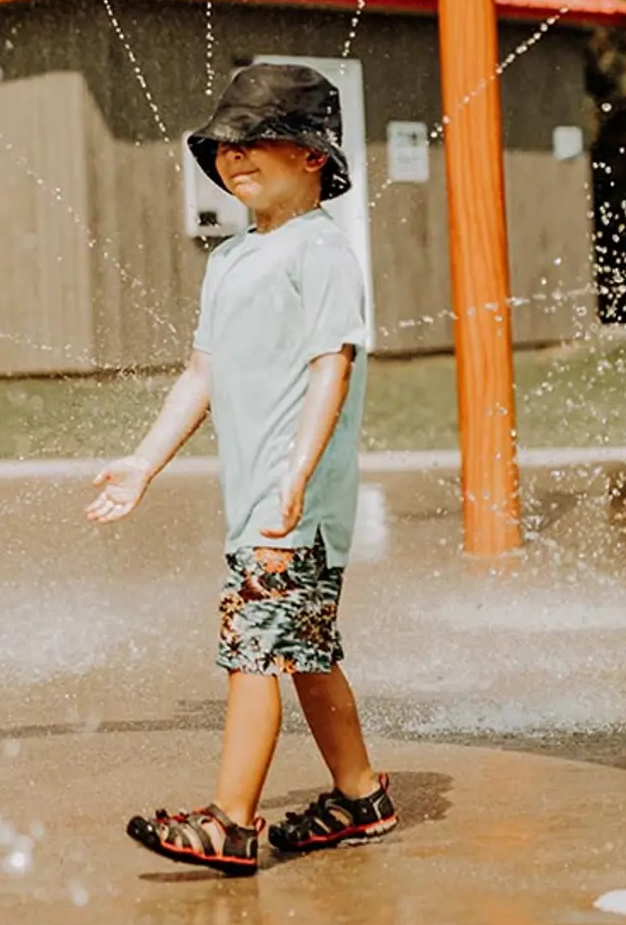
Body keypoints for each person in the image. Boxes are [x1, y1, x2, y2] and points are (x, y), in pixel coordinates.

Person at [87, 62, 395, 876]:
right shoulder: (229, 259)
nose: (234, 155)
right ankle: (361, 795)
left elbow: (332, 365)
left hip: (295, 502)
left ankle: (231, 820)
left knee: (255, 646)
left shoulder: (321, 250)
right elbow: (202, 373)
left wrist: (297, 475)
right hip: (261, 498)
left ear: (313, 155)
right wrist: (143, 463)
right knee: (306, 649)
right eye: (224, 144)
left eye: (257, 139)